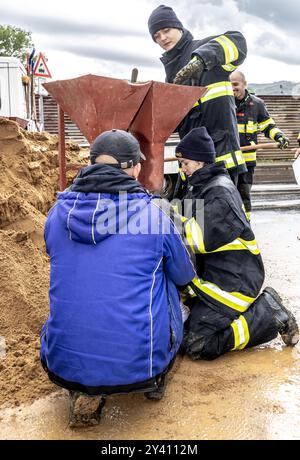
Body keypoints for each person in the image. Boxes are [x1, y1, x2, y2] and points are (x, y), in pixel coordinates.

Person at [40, 129, 196, 427]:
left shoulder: (57, 213)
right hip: (140, 367)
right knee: (165, 282)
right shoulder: (154, 214)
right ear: (134, 167)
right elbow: (183, 273)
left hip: (62, 365)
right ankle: (155, 378)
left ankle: (82, 386)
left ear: (91, 164)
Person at [174, 126, 299, 360]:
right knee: (186, 328)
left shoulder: (219, 193)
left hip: (234, 282)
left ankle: (270, 313)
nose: (182, 169)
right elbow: (181, 212)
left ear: (201, 162)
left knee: (198, 344)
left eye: (186, 164)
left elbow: (195, 237)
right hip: (216, 275)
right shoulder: (201, 187)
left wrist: (166, 220)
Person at [148, 4, 248, 187]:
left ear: (178, 27)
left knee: (221, 214)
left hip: (221, 161)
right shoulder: (171, 75)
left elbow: (238, 41)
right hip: (192, 164)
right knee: (196, 215)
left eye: (166, 30)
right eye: (156, 36)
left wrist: (202, 59)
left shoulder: (203, 48)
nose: (162, 38)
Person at [230, 70, 289, 220]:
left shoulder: (257, 104)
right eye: (229, 85)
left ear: (245, 84)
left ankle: (246, 224)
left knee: (244, 193)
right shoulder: (225, 103)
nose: (232, 88)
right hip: (228, 160)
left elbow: (268, 127)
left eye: (236, 84)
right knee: (227, 194)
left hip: (247, 161)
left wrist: (279, 136)